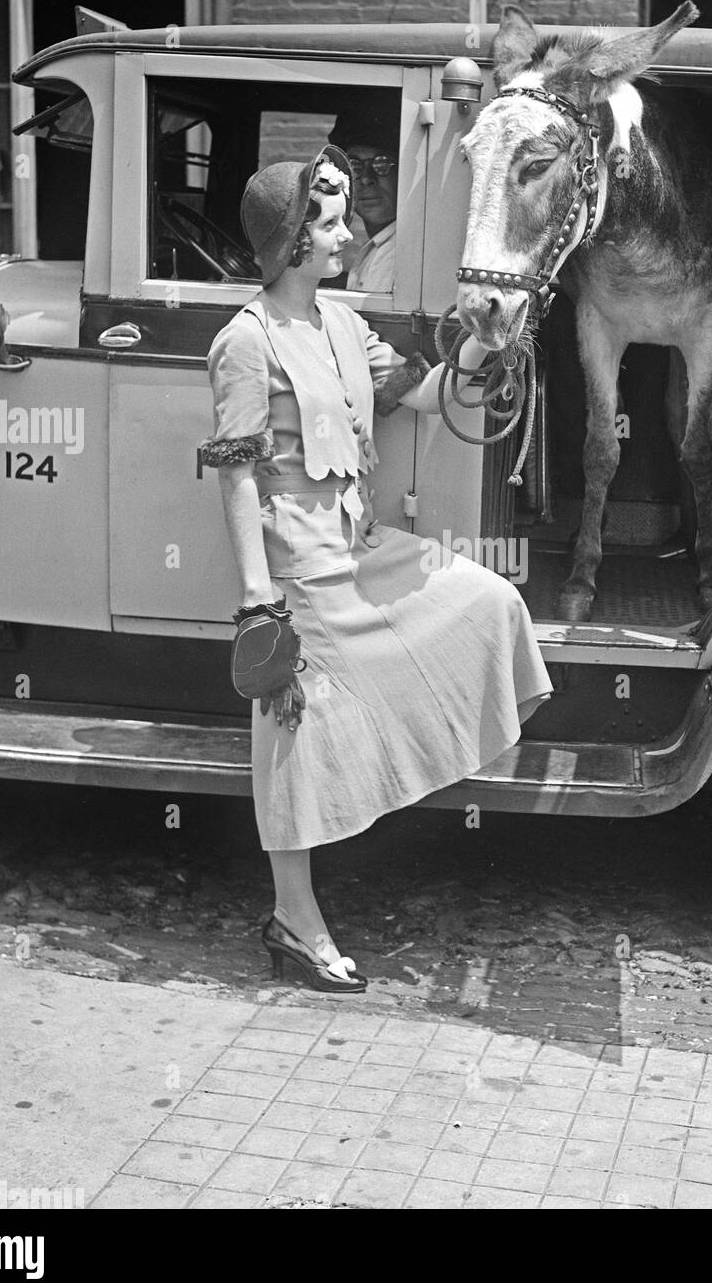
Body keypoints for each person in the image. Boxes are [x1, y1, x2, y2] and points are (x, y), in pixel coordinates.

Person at [201, 145, 552, 993]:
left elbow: (424, 397)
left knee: (488, 599)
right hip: (302, 572)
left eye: (343, 218)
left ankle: (388, 797)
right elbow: (237, 471)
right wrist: (258, 603)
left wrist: (481, 343)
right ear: (289, 242)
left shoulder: (344, 326)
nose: (347, 235)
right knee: (293, 730)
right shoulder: (244, 343)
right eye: (326, 223)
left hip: (361, 546)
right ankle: (295, 918)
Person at [328, 109, 398, 292]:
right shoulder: (379, 246)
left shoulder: (399, 255)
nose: (367, 178)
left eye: (381, 164)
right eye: (354, 165)